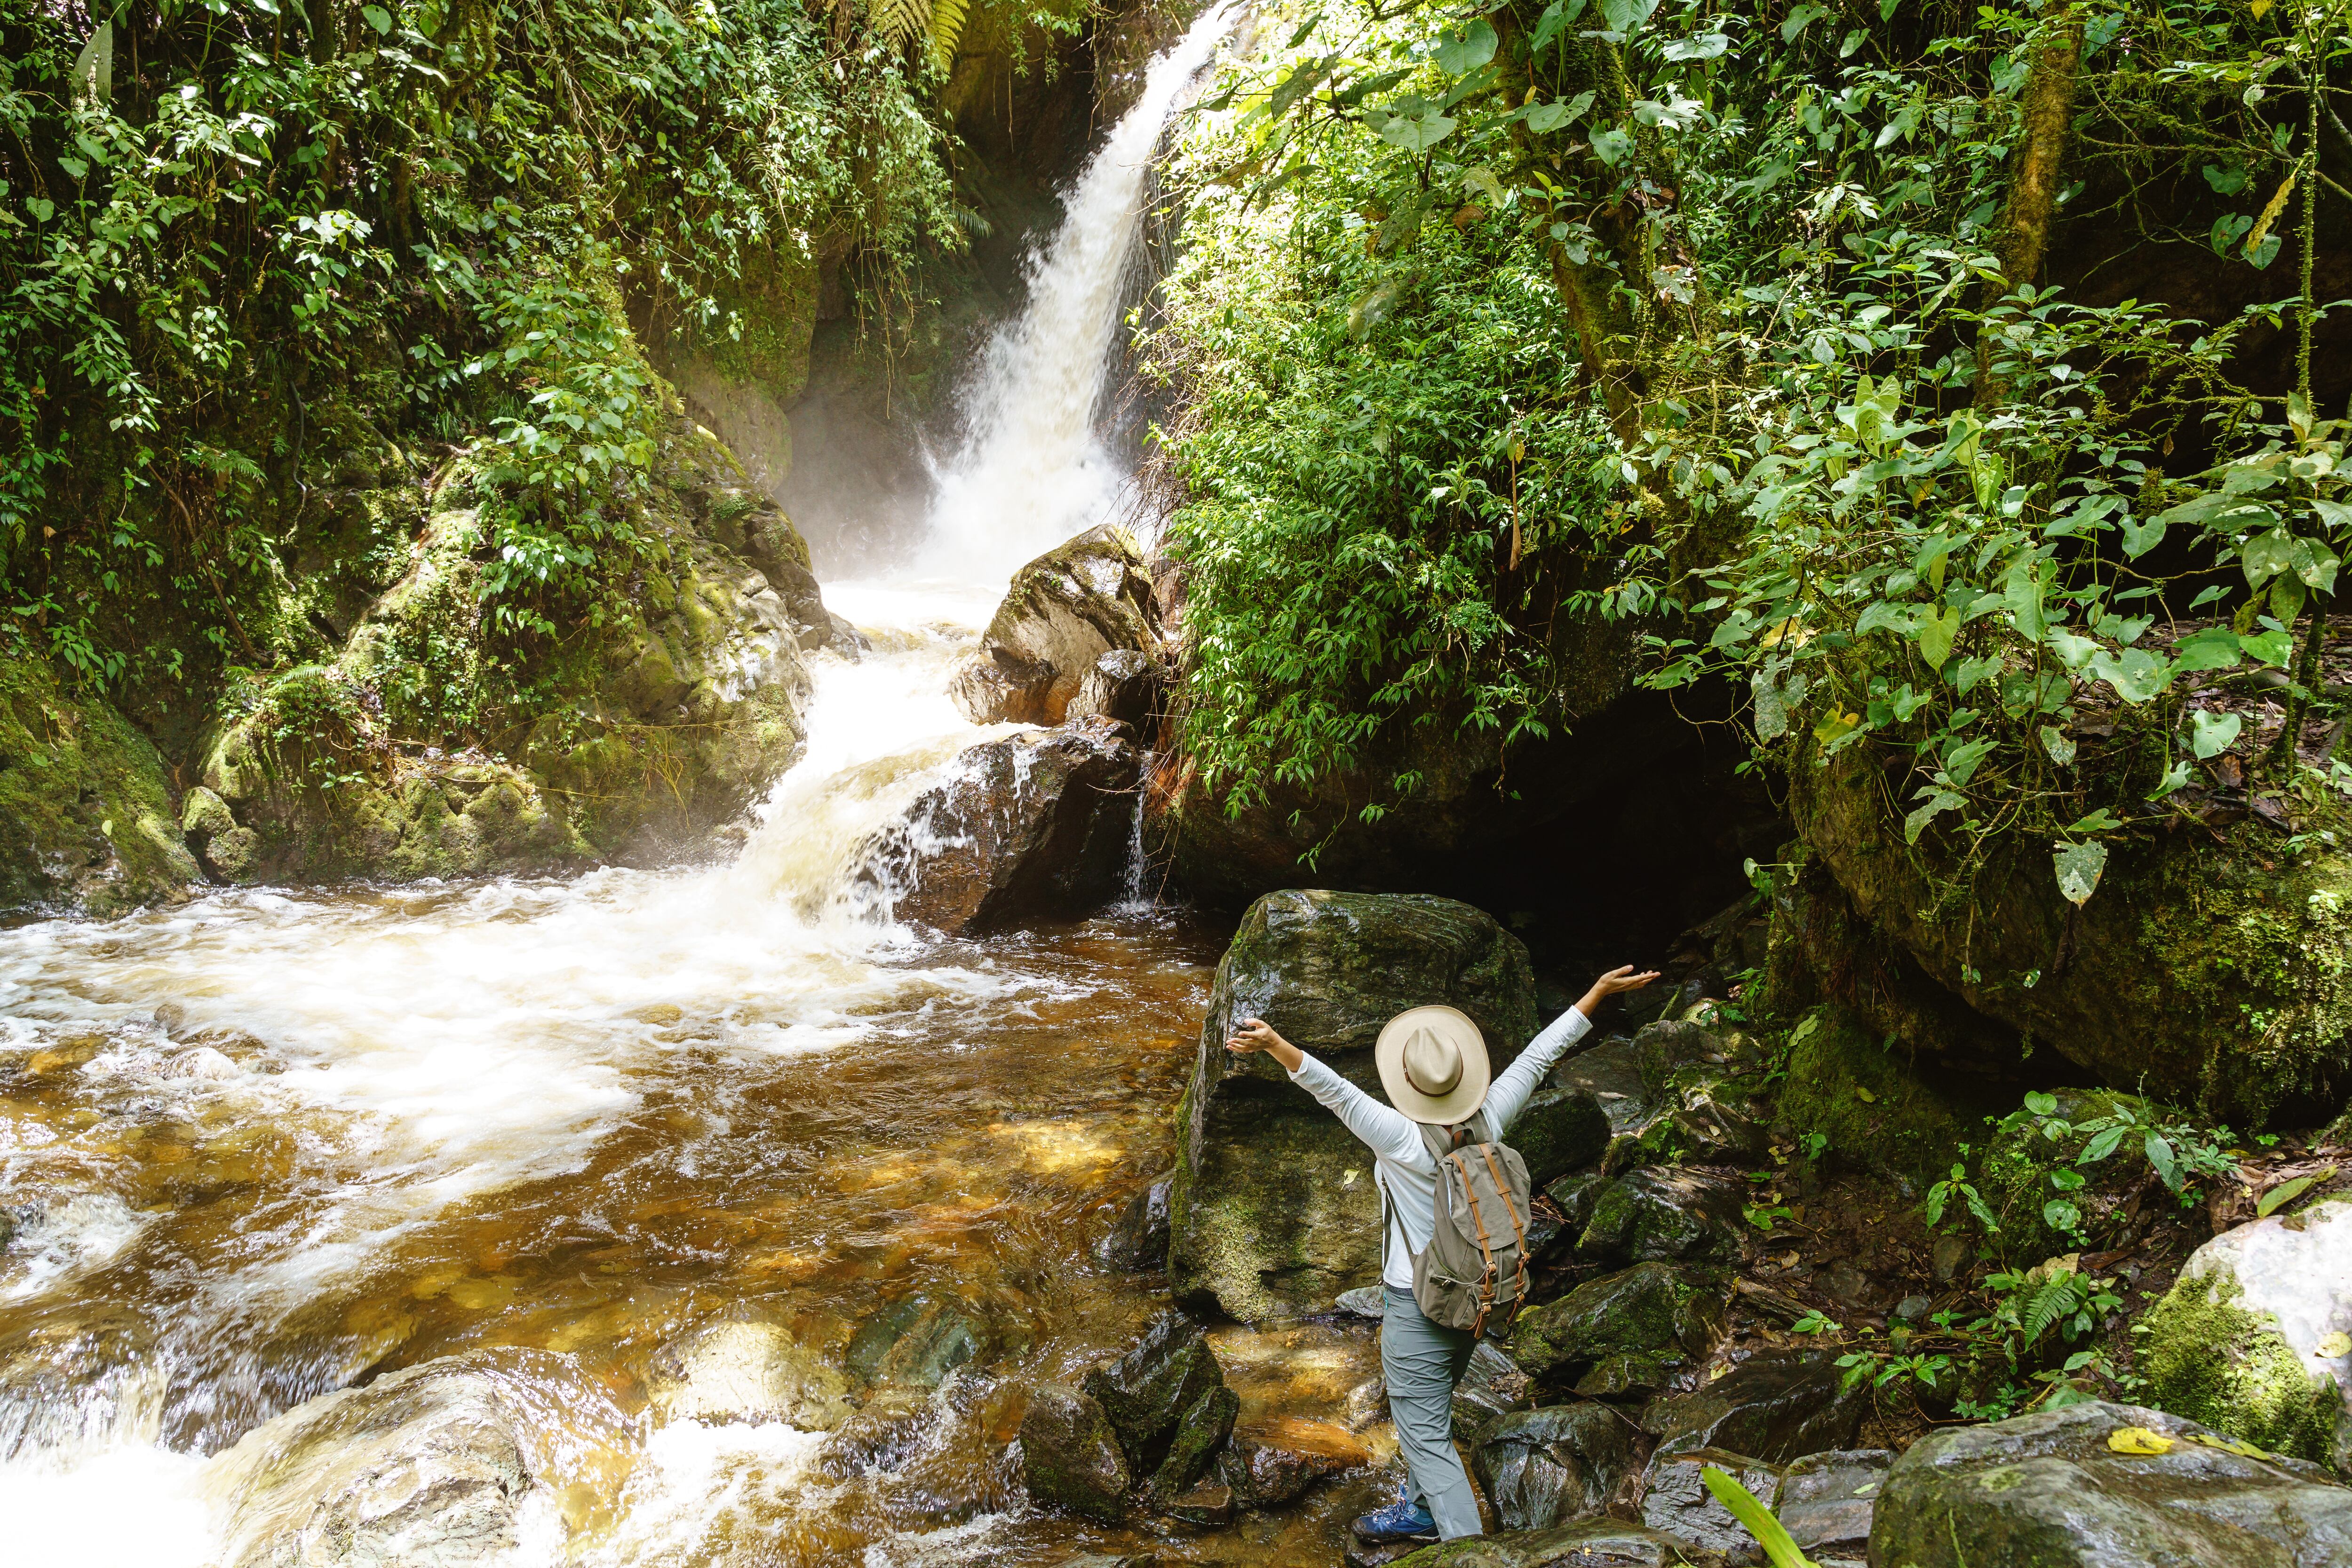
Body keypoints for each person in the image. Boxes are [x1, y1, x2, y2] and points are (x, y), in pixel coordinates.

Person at [1224, 963, 1660, 1544]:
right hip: (1481, 1298)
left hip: (1419, 1305)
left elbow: (1332, 1089)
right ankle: (1422, 1513)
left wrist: (1275, 1044)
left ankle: (1464, 1550)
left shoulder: (1401, 1139)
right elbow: (1535, 1058)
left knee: (1424, 1437)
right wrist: (1595, 996)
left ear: (1406, 1078)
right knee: (1433, 1413)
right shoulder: (1491, 1116)